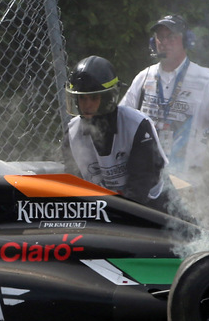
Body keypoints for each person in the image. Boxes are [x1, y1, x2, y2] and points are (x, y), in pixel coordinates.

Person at [122, 14, 209, 191]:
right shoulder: (143, 78)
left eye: (171, 36)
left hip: (191, 182)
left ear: (187, 41)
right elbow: (122, 121)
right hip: (148, 180)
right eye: (160, 37)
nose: (164, 42)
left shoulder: (208, 80)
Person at [61, 54, 173, 211]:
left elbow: (140, 188)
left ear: (108, 98)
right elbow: (74, 187)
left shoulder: (136, 126)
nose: (87, 105)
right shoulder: (72, 135)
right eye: (82, 98)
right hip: (103, 212)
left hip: (154, 207)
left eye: (93, 98)